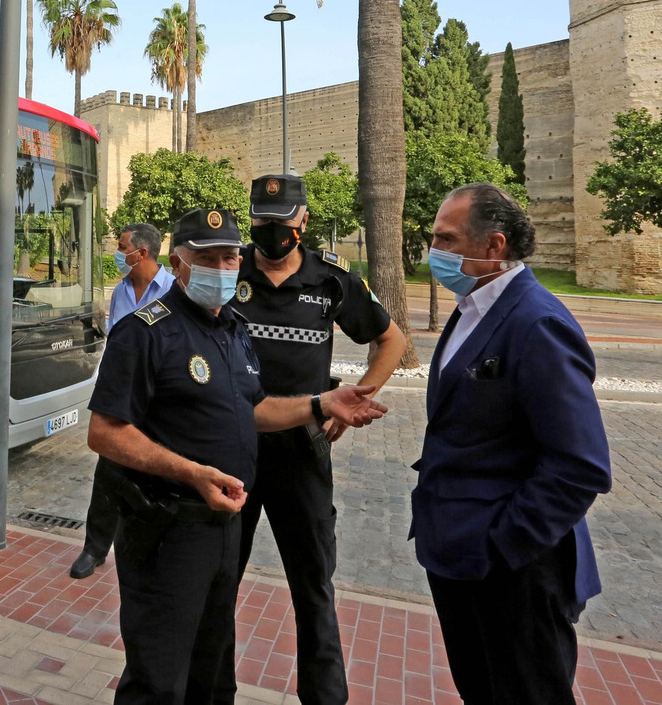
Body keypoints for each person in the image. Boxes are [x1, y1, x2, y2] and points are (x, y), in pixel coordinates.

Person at [88, 207, 389, 705]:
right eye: (208, 258)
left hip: (223, 526)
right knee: (160, 676)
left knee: (212, 671)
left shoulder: (232, 328)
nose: (223, 268)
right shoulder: (144, 332)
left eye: (230, 257)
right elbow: (105, 433)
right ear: (178, 264)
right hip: (167, 530)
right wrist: (191, 473)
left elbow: (254, 409)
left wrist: (321, 404)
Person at [413, 183, 612, 705]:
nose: (433, 250)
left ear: (493, 244)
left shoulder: (536, 321)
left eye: (446, 239)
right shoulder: (472, 308)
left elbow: (580, 465)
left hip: (512, 572)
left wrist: (505, 547)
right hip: (457, 557)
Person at [226, 174, 409, 705]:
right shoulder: (228, 272)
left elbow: (392, 339)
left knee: (313, 590)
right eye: (261, 219)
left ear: (303, 220)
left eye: (281, 220)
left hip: (301, 456)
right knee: (217, 584)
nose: (271, 230)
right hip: (233, 452)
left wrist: (356, 400)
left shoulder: (332, 280)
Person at [69, 222, 175, 580]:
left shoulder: (174, 290)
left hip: (160, 398)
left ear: (141, 253)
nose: (117, 253)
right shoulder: (121, 291)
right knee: (108, 473)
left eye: (122, 247)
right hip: (122, 396)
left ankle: (158, 552)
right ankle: (94, 549)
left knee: (159, 474)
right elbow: (115, 342)